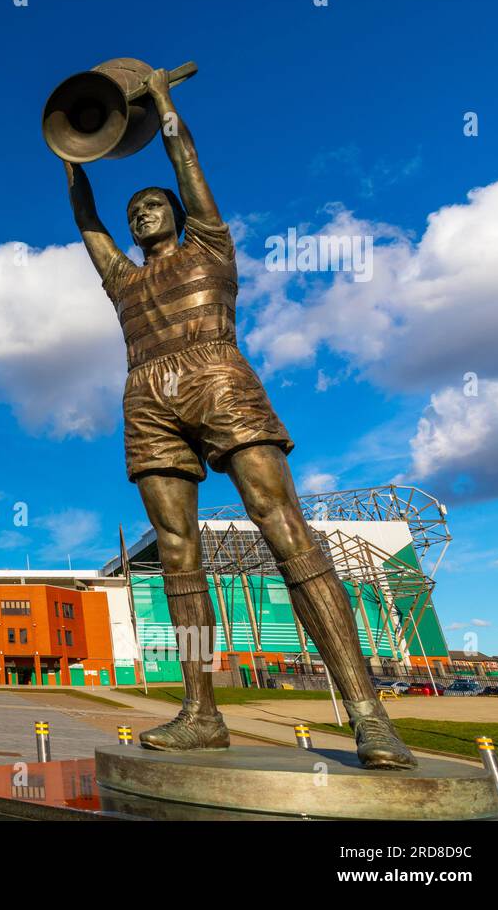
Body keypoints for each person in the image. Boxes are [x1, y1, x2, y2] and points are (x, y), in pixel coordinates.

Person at [62, 67, 414, 768]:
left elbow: (186, 164)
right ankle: (199, 712)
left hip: (217, 374)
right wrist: (73, 160)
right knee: (176, 555)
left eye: (152, 205)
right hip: (146, 395)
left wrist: (162, 100)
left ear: (177, 214)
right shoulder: (124, 280)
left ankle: (370, 716)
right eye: (134, 212)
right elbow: (87, 223)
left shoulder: (212, 245)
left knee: (282, 524)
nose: (141, 214)